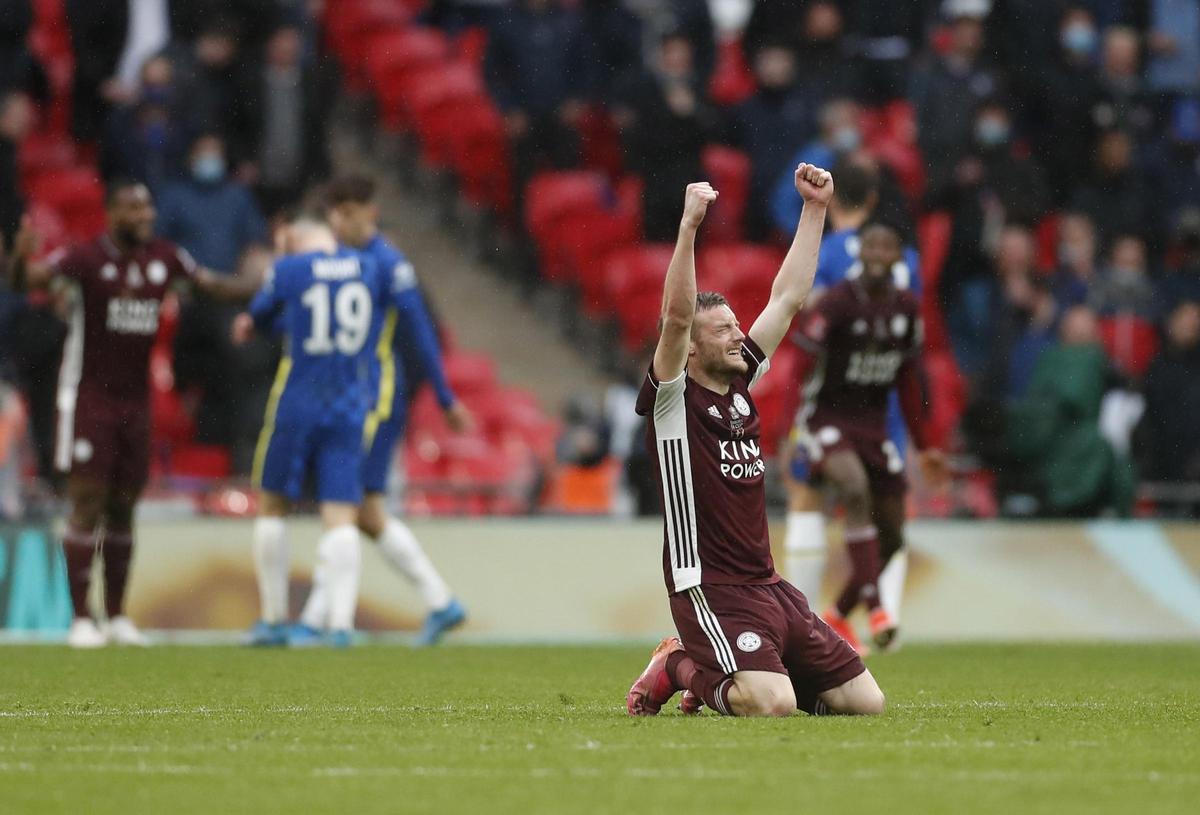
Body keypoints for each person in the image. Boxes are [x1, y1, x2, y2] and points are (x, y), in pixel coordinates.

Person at [626, 165, 886, 719]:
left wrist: (815, 209)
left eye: (735, 325)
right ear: (692, 350)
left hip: (768, 585)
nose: (738, 335)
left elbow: (788, 298)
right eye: (721, 331)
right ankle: (678, 665)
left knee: (866, 704)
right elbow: (675, 319)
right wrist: (690, 226)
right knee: (771, 706)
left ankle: (748, 666)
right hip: (710, 587)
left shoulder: (741, 378)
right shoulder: (673, 398)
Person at [7, 179, 253, 648]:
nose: (144, 218)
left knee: (124, 508)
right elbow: (27, 283)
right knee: (87, 503)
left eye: (147, 210)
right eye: (134, 210)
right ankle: (81, 619)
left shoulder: (165, 258)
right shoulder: (85, 261)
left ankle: (117, 616)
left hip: (136, 404)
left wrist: (269, 284)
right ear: (112, 213)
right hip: (87, 399)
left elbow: (214, 287)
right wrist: (20, 257)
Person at [287, 175, 472, 647]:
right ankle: (440, 601)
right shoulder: (342, 261)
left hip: (376, 398)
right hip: (351, 395)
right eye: (339, 213)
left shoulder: (388, 263)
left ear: (366, 212)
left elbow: (422, 333)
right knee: (364, 511)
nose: (346, 221)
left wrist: (446, 398)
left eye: (355, 212)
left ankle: (319, 622)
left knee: (343, 505)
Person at [791, 220, 948, 655]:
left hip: (873, 429)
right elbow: (798, 369)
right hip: (826, 420)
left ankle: (837, 617)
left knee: (894, 538)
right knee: (855, 490)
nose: (879, 255)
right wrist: (787, 427)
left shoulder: (906, 310)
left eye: (888, 248)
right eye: (872, 247)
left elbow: (911, 384)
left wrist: (926, 444)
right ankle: (878, 609)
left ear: (899, 257)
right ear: (861, 254)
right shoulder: (837, 304)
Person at [235, 220, 390, 648]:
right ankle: (340, 626)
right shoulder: (370, 267)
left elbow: (261, 315)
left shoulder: (292, 269)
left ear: (297, 242)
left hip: (300, 399)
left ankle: (273, 619)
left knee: (273, 504)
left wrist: (282, 267)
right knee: (340, 515)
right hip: (350, 403)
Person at [782, 161, 920, 618]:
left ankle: (804, 620)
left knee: (810, 498)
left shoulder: (829, 252)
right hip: (886, 406)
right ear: (875, 200)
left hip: (832, 403)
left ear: (835, 199)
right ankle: (885, 615)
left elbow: (810, 319)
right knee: (886, 512)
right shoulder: (908, 259)